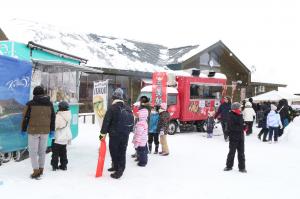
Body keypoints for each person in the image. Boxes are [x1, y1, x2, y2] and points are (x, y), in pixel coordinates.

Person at [21, 86, 55, 179]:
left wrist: (23, 129)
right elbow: (53, 118)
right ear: (43, 93)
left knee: (33, 151)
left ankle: (36, 171)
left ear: (34, 94)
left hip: (33, 131)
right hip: (45, 131)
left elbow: (25, 118)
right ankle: (41, 169)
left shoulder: (30, 104)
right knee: (42, 151)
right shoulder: (50, 104)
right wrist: (52, 130)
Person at [99, 88, 134, 179]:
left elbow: (106, 122)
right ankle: (117, 166)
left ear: (114, 98)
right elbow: (132, 121)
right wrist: (128, 131)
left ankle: (119, 170)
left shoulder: (112, 108)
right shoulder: (127, 108)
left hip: (115, 134)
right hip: (125, 134)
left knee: (114, 151)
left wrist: (102, 134)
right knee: (122, 151)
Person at [224, 102, 247, 173]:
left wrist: (244, 126)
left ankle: (242, 167)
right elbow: (231, 127)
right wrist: (241, 127)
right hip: (233, 137)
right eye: (240, 107)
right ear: (236, 108)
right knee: (232, 152)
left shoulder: (240, 114)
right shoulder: (231, 115)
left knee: (241, 153)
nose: (241, 108)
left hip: (240, 136)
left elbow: (241, 124)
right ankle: (229, 166)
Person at [51, 101, 72, 171]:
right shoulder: (69, 115)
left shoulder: (58, 116)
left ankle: (54, 166)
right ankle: (64, 165)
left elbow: (55, 126)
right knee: (63, 152)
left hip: (58, 137)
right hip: (65, 137)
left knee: (55, 153)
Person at [132, 97, 150, 166]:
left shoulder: (141, 123)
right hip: (143, 139)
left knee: (142, 150)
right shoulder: (144, 120)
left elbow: (139, 134)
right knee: (143, 149)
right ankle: (142, 159)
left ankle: (142, 162)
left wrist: (136, 142)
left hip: (141, 139)